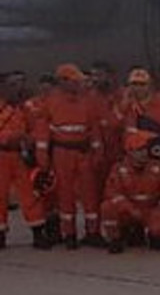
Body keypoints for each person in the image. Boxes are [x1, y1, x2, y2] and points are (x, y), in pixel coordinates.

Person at [35, 63, 104, 249]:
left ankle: (93, 232)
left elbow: (94, 129)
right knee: (65, 194)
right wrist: (43, 159)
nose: (78, 85)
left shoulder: (87, 101)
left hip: (83, 151)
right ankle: (69, 234)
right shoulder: (51, 102)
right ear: (63, 82)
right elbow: (42, 133)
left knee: (90, 193)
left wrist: (98, 152)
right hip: (62, 153)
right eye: (75, 82)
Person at [99, 130, 160, 253]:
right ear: (130, 152)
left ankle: (148, 234)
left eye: (145, 149)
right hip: (129, 212)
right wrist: (131, 209)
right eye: (139, 150)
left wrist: (159, 210)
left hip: (151, 211)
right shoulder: (118, 169)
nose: (144, 153)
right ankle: (115, 239)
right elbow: (112, 193)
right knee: (107, 207)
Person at [1, 78, 48, 249]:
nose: (17, 88)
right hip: (2, 155)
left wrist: (29, 140)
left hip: (21, 156)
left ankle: (38, 232)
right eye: (12, 85)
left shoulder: (26, 108)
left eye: (19, 84)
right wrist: (9, 138)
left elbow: (36, 128)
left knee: (31, 193)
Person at [114, 67, 160, 162]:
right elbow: (114, 131)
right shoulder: (122, 107)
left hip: (156, 159)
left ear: (151, 86)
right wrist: (123, 107)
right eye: (134, 84)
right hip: (129, 160)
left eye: (142, 84)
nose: (137, 88)